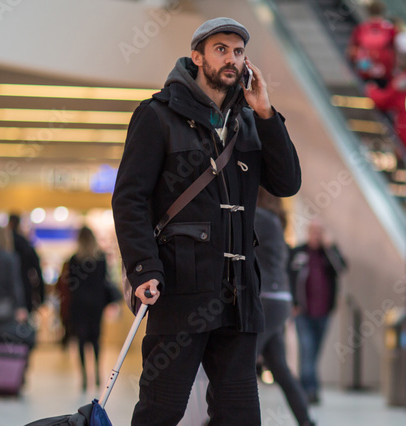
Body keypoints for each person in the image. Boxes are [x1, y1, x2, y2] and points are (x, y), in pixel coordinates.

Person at [112, 17, 301, 425]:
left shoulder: (249, 122)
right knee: (161, 411)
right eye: (221, 49)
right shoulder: (156, 115)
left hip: (240, 297)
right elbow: (130, 199)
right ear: (197, 56)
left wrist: (267, 113)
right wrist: (143, 267)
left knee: (241, 416)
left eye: (238, 52)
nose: (231, 59)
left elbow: (286, 183)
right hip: (180, 291)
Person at [254, 189, 314, 426]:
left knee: (240, 367)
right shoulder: (274, 220)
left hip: (266, 299)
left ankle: (220, 419)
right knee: (280, 369)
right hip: (279, 300)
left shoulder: (258, 217)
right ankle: (307, 421)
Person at [289, 221, 346, 404]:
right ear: (308, 233)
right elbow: (288, 276)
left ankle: (306, 388)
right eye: (313, 231)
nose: (316, 235)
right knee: (307, 350)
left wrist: (330, 247)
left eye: (319, 232)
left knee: (314, 353)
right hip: (302, 313)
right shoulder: (298, 252)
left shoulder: (328, 253)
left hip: (323, 313)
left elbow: (341, 268)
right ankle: (310, 391)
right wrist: (293, 303)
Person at [65, 226, 119, 391]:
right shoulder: (100, 258)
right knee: (95, 339)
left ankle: (83, 377)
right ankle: (96, 374)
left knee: (81, 340)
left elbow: (70, 285)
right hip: (96, 304)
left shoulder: (74, 259)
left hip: (79, 305)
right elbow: (104, 281)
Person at [347, 1, 397, 87]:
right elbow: (396, 48)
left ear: (368, 12)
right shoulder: (390, 28)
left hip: (365, 69)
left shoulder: (361, 28)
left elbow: (352, 50)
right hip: (385, 71)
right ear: (382, 11)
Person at [9, 214, 44, 315]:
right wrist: (41, 295)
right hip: (24, 291)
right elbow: (37, 269)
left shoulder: (4, 247)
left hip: (7, 296)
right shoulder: (25, 244)